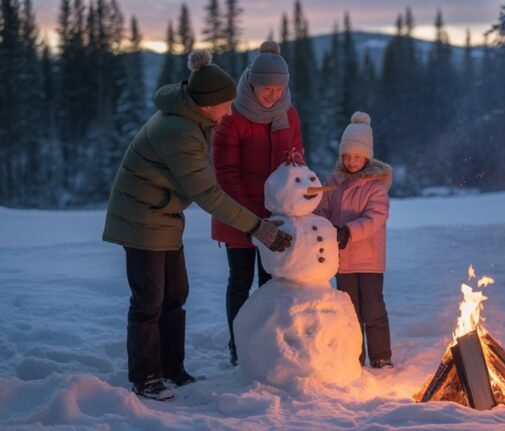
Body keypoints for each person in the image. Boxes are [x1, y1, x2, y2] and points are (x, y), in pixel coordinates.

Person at [102, 50, 292, 401]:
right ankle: (146, 377)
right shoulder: (179, 131)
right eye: (227, 104)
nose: (231, 110)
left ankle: (173, 368)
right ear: (208, 105)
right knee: (148, 301)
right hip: (141, 219)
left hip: (163, 216)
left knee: (175, 295)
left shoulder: (192, 120)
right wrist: (258, 227)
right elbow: (207, 193)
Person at [211, 40, 304, 367]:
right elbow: (225, 172)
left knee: (271, 280)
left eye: (279, 88)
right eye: (267, 87)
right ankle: (239, 347)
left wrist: (294, 200)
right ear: (252, 82)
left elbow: (296, 161)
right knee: (240, 281)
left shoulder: (289, 115)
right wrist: (250, 219)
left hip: (275, 216)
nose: (273, 94)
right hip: (238, 215)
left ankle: (265, 345)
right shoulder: (233, 116)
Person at [316, 111, 393, 368]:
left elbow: (375, 218)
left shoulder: (376, 187)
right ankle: (353, 358)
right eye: (346, 156)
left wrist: (347, 231)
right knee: (350, 314)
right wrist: (324, 229)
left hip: (369, 261)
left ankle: (381, 357)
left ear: (367, 157)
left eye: (357, 156)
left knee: (373, 311)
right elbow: (321, 210)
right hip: (343, 262)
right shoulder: (333, 183)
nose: (351, 161)